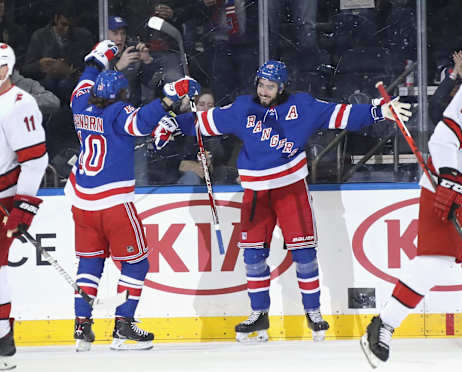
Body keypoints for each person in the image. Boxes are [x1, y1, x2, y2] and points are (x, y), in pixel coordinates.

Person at [163, 60, 412, 342]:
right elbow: (206, 122)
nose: (264, 91)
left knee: (304, 253)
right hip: (256, 193)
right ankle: (259, 314)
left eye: (270, 86)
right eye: (260, 84)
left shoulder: (303, 107)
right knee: (253, 255)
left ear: (282, 87)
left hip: (290, 189)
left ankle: (313, 312)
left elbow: (342, 114)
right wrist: (173, 124)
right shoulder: (244, 108)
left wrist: (379, 111)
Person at [64, 40, 199, 351]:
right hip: (112, 204)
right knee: (137, 264)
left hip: (82, 203)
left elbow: (85, 79)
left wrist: (98, 58)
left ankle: (81, 329)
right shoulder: (118, 112)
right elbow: (140, 121)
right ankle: (124, 325)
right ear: (121, 94)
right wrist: (170, 96)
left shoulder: (80, 103)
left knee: (89, 262)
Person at [360, 76, 462, 367]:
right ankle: (384, 324)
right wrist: (449, 179)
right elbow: (443, 139)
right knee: (436, 261)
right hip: (449, 186)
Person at [0, 42, 48, 370]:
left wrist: (23, 208)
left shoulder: (19, 103)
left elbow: (35, 161)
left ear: (8, 67)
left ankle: (2, 336)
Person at [108, 15, 158, 107]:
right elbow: (97, 92)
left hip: (133, 112)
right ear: (105, 34)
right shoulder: (98, 57)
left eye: (123, 33)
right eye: (115, 33)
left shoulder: (132, 54)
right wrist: (117, 68)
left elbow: (151, 84)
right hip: (110, 113)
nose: (120, 38)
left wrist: (147, 61)